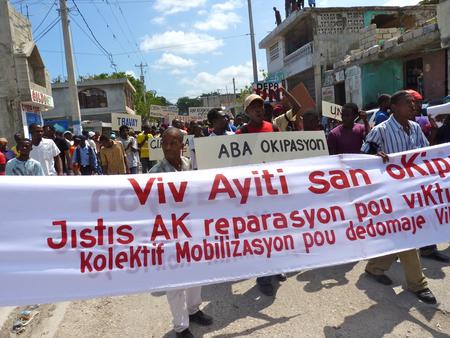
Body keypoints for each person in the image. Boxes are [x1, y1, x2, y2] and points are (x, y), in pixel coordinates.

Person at [361, 90, 436, 304]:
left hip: (414, 192)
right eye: (408, 103)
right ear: (394, 107)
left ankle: (375, 267)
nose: (413, 107)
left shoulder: (415, 128)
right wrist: (375, 157)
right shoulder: (381, 130)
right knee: (409, 233)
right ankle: (418, 284)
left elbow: (426, 153)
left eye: (414, 103)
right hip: (391, 195)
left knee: (402, 234)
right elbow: (362, 156)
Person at [150, 127, 213, 338]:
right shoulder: (155, 173)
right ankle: (181, 326)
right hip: (170, 234)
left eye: (173, 143)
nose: (168, 148)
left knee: (196, 274)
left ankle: (194, 310)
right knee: (175, 282)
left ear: (182, 145)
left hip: (193, 230)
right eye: (164, 143)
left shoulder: (190, 165)